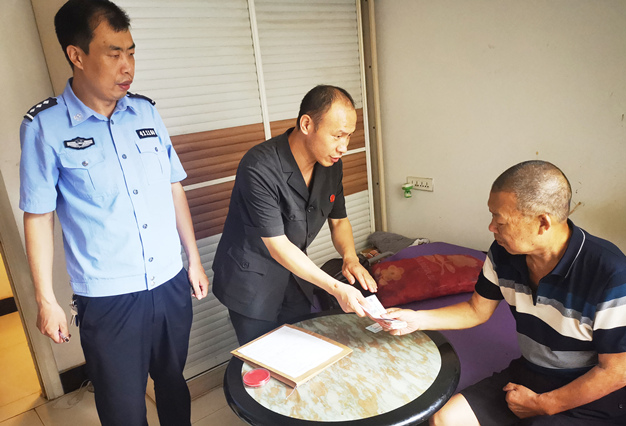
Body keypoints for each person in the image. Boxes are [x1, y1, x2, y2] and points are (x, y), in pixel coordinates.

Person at [19, 1, 209, 424]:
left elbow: (173, 186)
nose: (128, 67)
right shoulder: (44, 127)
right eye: (114, 53)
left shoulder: (145, 112)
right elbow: (39, 216)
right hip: (109, 299)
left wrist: (193, 260)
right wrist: (45, 300)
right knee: (123, 408)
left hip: (169, 282)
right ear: (76, 55)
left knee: (173, 384)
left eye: (131, 52)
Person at [382, 161, 626, 426]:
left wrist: (543, 404)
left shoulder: (612, 275)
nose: (491, 227)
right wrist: (415, 319)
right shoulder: (503, 254)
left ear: (542, 223)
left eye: (500, 220)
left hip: (594, 393)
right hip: (531, 372)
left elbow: (617, 372)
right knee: (444, 419)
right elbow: (476, 310)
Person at [212, 85, 377, 345]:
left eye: (348, 137)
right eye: (337, 136)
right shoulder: (259, 167)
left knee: (301, 346)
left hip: (297, 276)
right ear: (307, 124)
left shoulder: (331, 165)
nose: (344, 147)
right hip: (252, 279)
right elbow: (277, 246)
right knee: (265, 355)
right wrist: (336, 288)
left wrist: (350, 258)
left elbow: (339, 221)